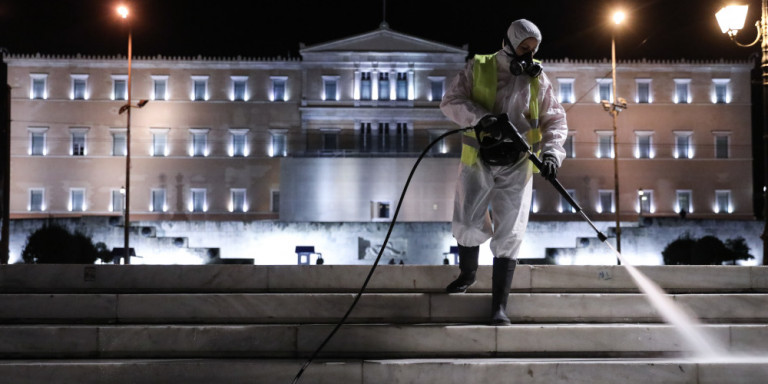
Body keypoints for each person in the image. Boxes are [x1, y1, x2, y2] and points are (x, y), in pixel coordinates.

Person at [439, 19, 568, 325]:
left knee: (510, 230)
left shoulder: (538, 80)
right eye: (524, 48)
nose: (529, 55)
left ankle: (499, 307)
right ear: (509, 43)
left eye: (534, 50)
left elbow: (555, 120)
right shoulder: (479, 67)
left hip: (518, 163)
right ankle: (468, 273)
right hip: (479, 158)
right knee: (468, 220)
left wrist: (551, 154)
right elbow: (450, 101)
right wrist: (482, 118)